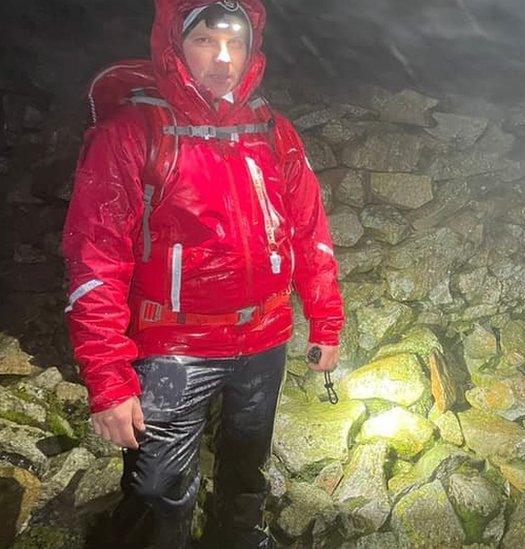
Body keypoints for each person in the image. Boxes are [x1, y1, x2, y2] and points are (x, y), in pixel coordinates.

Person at [61, 1, 344, 547]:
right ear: (174, 45)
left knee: (246, 468)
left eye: (235, 43)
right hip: (172, 344)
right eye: (204, 42)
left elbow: (311, 230)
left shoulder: (272, 131)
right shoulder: (131, 132)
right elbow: (94, 262)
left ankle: (237, 538)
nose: (222, 59)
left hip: (265, 337)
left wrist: (326, 320)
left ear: (252, 48)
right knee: (158, 487)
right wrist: (108, 379)